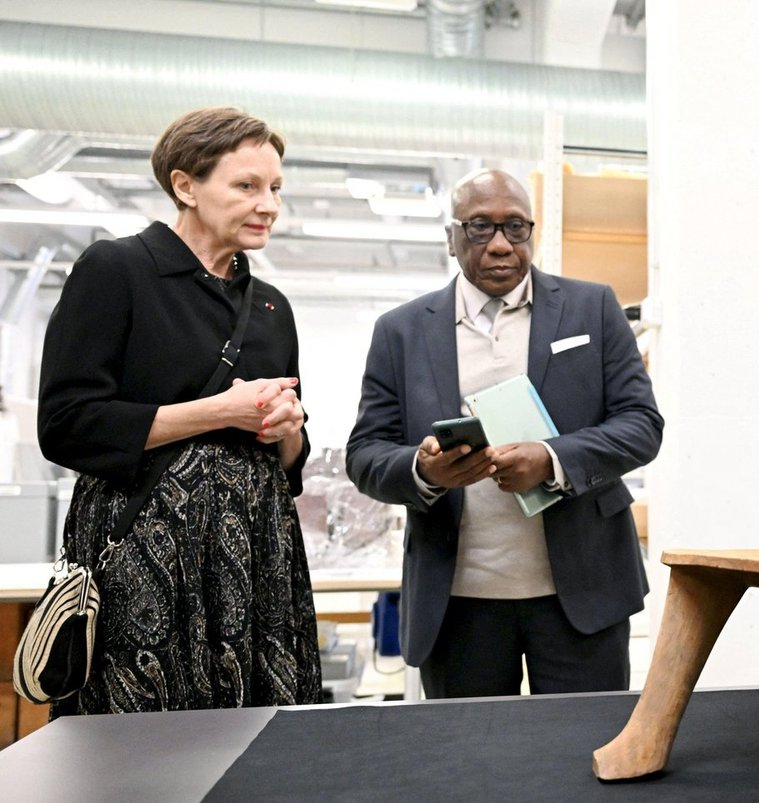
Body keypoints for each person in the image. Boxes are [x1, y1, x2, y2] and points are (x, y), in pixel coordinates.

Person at [38, 106, 321, 714]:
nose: (268, 204)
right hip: (145, 555)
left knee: (258, 741)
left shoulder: (270, 305)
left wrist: (287, 430)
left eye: (275, 188)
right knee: (144, 745)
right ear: (185, 185)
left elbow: (287, 465)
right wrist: (219, 411)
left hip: (256, 558)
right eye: (246, 186)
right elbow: (67, 425)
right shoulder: (116, 271)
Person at [346, 168, 662, 699]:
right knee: (471, 768)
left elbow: (641, 425)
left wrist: (551, 459)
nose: (499, 245)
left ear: (531, 233)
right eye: (479, 228)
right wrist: (424, 472)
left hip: (581, 595)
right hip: (457, 603)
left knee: (581, 756)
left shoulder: (593, 308)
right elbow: (365, 453)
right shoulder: (401, 332)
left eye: (515, 228)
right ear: (452, 237)